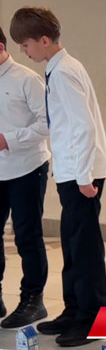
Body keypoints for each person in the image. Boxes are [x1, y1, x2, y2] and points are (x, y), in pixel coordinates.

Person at [9, 7, 106, 347]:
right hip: (71, 171)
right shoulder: (59, 69)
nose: (25, 52)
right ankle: (73, 309)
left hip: (82, 175)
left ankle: (91, 318)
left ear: (44, 39)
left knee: (84, 249)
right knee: (71, 243)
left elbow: (83, 127)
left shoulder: (65, 72)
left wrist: (83, 176)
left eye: (25, 45)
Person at [0, 26, 50, 329]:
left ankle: (34, 300)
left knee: (27, 236)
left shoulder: (26, 79)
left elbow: (48, 123)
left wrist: (9, 139)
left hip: (27, 168)